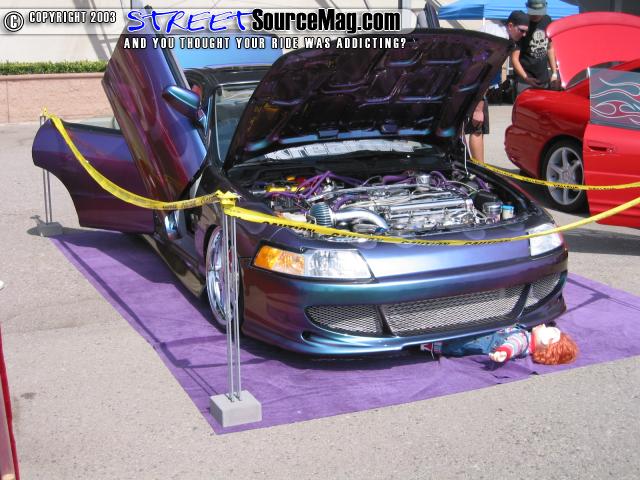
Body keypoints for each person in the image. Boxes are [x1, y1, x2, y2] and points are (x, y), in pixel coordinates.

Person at [421, 324, 579, 365]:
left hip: (477, 341)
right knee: (456, 345)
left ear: (546, 342)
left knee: (455, 344)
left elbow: (513, 344)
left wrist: (504, 352)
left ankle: (428, 344)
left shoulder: (523, 340)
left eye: (548, 329)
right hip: (480, 338)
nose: (544, 325)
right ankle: (431, 343)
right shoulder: (526, 336)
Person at [512, 0, 559, 94]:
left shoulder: (547, 20)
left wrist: (554, 73)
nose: (537, 15)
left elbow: (550, 48)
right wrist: (526, 78)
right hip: (524, 81)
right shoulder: (521, 23)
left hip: (544, 80)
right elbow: (514, 58)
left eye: (539, 11)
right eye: (534, 11)